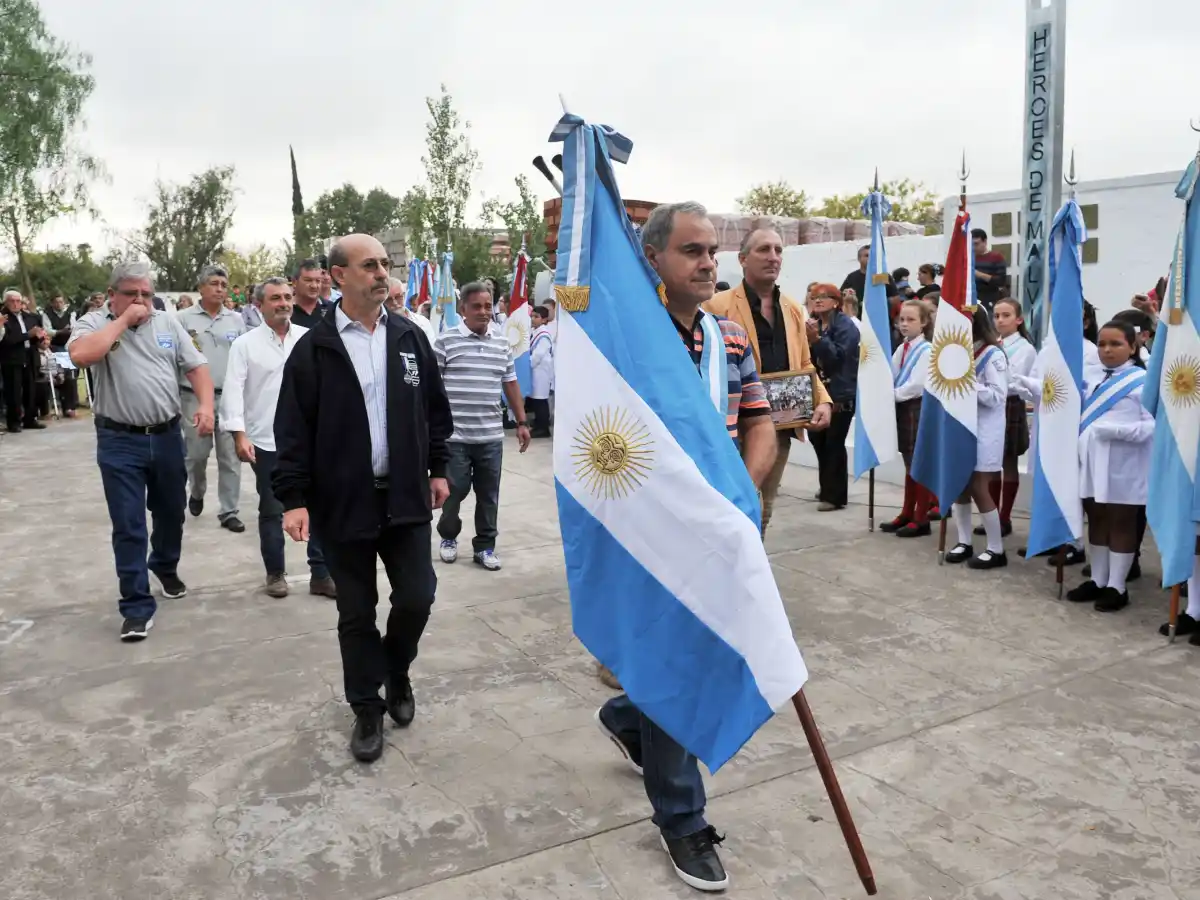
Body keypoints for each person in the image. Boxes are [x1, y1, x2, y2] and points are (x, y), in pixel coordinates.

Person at [595, 201, 777, 892]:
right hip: (653, 537)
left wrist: (742, 493)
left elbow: (759, 421)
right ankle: (681, 816)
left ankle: (625, 715)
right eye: (691, 251)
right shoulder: (627, 343)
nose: (708, 263)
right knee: (679, 664)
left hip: (720, 526)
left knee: (700, 656)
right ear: (654, 262)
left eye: (711, 251)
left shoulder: (730, 338)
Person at [274, 234, 453, 763]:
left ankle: (395, 671)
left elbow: (434, 411)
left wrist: (438, 467)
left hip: (404, 498)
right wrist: (294, 498)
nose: (381, 272)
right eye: (369, 265)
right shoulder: (314, 348)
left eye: (384, 264)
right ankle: (367, 708)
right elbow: (293, 431)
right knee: (357, 612)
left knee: (417, 597)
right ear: (337, 276)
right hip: (342, 502)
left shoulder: (408, 336)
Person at [67, 261, 216, 641]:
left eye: (147, 294)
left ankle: (164, 564)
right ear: (112, 296)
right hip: (119, 441)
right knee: (129, 524)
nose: (141, 302)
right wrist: (122, 321)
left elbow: (196, 366)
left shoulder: (167, 324)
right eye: (131, 294)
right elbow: (82, 356)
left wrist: (205, 406)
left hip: (166, 436)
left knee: (171, 513)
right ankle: (135, 605)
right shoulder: (93, 323)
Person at [705, 227, 832, 534]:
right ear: (743, 258)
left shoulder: (791, 309)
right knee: (728, 510)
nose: (773, 257)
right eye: (764, 250)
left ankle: (750, 577)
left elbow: (804, 364)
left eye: (778, 250)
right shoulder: (715, 306)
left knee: (762, 511)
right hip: (732, 429)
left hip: (778, 430)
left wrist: (824, 401)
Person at [221, 278, 336, 599]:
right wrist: (239, 434)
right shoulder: (245, 345)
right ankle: (275, 573)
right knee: (273, 509)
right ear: (259, 305)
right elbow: (233, 390)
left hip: (311, 441)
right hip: (266, 442)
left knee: (319, 507)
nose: (283, 303)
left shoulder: (309, 339)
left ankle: (321, 573)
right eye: (275, 298)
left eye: (287, 297)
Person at [434, 282, 531, 571]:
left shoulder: (502, 343)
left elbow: (510, 383)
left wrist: (522, 422)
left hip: (490, 436)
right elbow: (432, 388)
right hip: (454, 437)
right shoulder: (445, 341)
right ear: (462, 309)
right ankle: (448, 536)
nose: (484, 312)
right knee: (455, 489)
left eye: (488, 306)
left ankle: (485, 546)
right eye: (476, 306)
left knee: (489, 495)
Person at [1066, 320, 1153, 612]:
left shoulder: (1142, 381)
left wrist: (1114, 431)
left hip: (1124, 463)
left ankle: (1117, 585)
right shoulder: (1091, 376)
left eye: (1115, 344)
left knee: (1120, 520)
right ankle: (1099, 579)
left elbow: (1152, 428)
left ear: (1132, 346)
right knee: (1097, 518)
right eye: (1102, 343)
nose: (1107, 350)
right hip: (1091, 461)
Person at [177, 264, 247, 532]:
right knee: (196, 455)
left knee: (230, 456)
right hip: (193, 397)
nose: (220, 289)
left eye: (223, 285)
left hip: (229, 396)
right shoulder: (183, 319)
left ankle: (229, 510)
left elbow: (243, 360)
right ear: (200, 288)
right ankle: (196, 491)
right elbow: (176, 360)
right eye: (214, 284)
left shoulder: (236, 320)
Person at [944, 307, 1010, 569]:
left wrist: (965, 383)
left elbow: (997, 396)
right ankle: (964, 540)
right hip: (960, 426)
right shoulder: (958, 353)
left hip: (985, 429)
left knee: (978, 487)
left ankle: (996, 548)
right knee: (960, 485)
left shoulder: (992, 354)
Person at [881, 299, 937, 537]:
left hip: (916, 407)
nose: (904, 324)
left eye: (911, 319)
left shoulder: (926, 350)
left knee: (918, 463)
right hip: (903, 407)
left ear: (923, 323)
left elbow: (917, 386)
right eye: (901, 319)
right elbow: (891, 374)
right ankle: (907, 511)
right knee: (908, 462)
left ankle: (921, 517)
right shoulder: (902, 348)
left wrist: (889, 395)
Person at [982, 298, 1035, 537]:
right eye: (996, 315)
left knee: (1009, 461)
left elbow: (1016, 380)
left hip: (1011, 403)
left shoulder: (1024, 347)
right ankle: (991, 515)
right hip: (992, 404)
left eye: (1006, 315)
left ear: (1019, 319)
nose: (1000, 320)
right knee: (992, 460)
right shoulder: (993, 344)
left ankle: (1004, 517)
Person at [806, 283, 860, 511]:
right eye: (814, 297)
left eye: (824, 297)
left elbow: (837, 358)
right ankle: (827, 486)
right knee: (818, 441)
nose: (818, 301)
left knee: (834, 443)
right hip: (817, 393)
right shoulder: (813, 324)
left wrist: (817, 340)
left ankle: (835, 496)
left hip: (840, 394)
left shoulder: (846, 326)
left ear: (836, 302)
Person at [1, 289, 48, 432]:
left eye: (18, 301)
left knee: (31, 389)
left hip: (30, 355)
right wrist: (28, 334)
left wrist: (41, 339)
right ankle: (14, 422)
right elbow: (7, 340)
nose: (16, 304)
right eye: (12, 301)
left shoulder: (31, 317)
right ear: (6, 302)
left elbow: (37, 336)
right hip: (12, 358)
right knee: (13, 392)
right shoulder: (4, 319)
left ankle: (30, 418)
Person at [41, 293, 79, 417]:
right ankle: (62, 406)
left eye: (61, 302)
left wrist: (62, 332)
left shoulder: (70, 313)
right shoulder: (47, 314)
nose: (59, 304)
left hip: (69, 346)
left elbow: (74, 328)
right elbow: (47, 331)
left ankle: (69, 406)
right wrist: (60, 331)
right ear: (52, 303)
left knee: (70, 376)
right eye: (56, 302)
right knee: (60, 376)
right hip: (55, 347)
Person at [527, 304, 554, 438]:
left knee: (541, 399)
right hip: (536, 371)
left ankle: (543, 428)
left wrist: (527, 364)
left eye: (536, 317)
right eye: (532, 316)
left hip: (541, 371)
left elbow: (538, 355)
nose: (533, 319)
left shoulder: (544, 334)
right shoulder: (536, 332)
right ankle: (538, 423)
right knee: (536, 398)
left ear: (544, 320)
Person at [386, 277, 435, 344]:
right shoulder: (380, 326)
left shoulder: (422, 322)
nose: (394, 303)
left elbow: (431, 350)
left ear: (404, 295)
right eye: (388, 299)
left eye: (398, 297)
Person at [971, 229, 1008, 316]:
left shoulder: (996, 257)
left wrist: (978, 274)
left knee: (989, 326)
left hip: (989, 302)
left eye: (976, 244)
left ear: (985, 242)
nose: (973, 247)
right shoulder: (967, 259)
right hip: (971, 303)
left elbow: (1001, 281)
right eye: (971, 244)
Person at [291, 258, 333, 329]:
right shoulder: (286, 310)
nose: (314, 286)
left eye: (318, 281)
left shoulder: (332, 309)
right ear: (294, 282)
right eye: (308, 280)